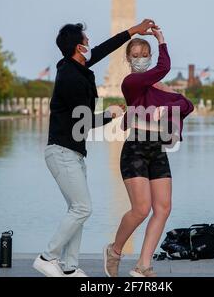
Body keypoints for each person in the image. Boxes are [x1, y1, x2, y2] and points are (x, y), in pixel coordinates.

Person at [33, 19, 159, 278]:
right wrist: (111, 114)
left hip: (72, 152)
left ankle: (68, 268)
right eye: (86, 39)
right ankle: (47, 257)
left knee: (76, 210)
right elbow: (84, 121)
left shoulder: (75, 67)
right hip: (62, 151)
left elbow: (104, 49)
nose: (90, 42)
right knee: (83, 208)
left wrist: (135, 30)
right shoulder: (71, 77)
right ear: (79, 47)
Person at [103, 28, 194, 277]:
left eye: (145, 54)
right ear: (129, 59)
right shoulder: (130, 83)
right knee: (141, 209)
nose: (140, 58)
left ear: (149, 55)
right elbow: (165, 70)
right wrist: (162, 40)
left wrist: (166, 101)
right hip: (135, 150)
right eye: (136, 55)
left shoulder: (158, 87)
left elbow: (187, 104)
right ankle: (115, 250)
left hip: (157, 150)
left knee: (163, 208)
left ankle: (143, 265)